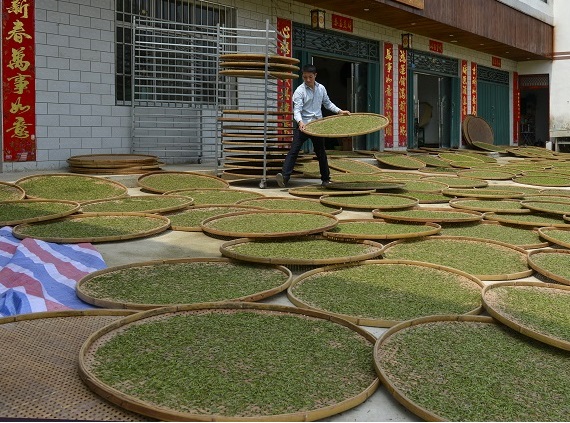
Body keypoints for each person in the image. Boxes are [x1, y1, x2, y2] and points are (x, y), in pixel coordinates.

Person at [276, 64, 350, 187]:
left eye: (310, 77)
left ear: (315, 75)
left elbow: (327, 103)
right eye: (305, 77)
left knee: (321, 153)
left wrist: (340, 111)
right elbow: (297, 110)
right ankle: (284, 178)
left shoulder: (321, 89)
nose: (308, 80)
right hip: (304, 125)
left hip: (317, 126)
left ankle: (326, 180)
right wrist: (300, 122)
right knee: (294, 150)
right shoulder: (300, 91)